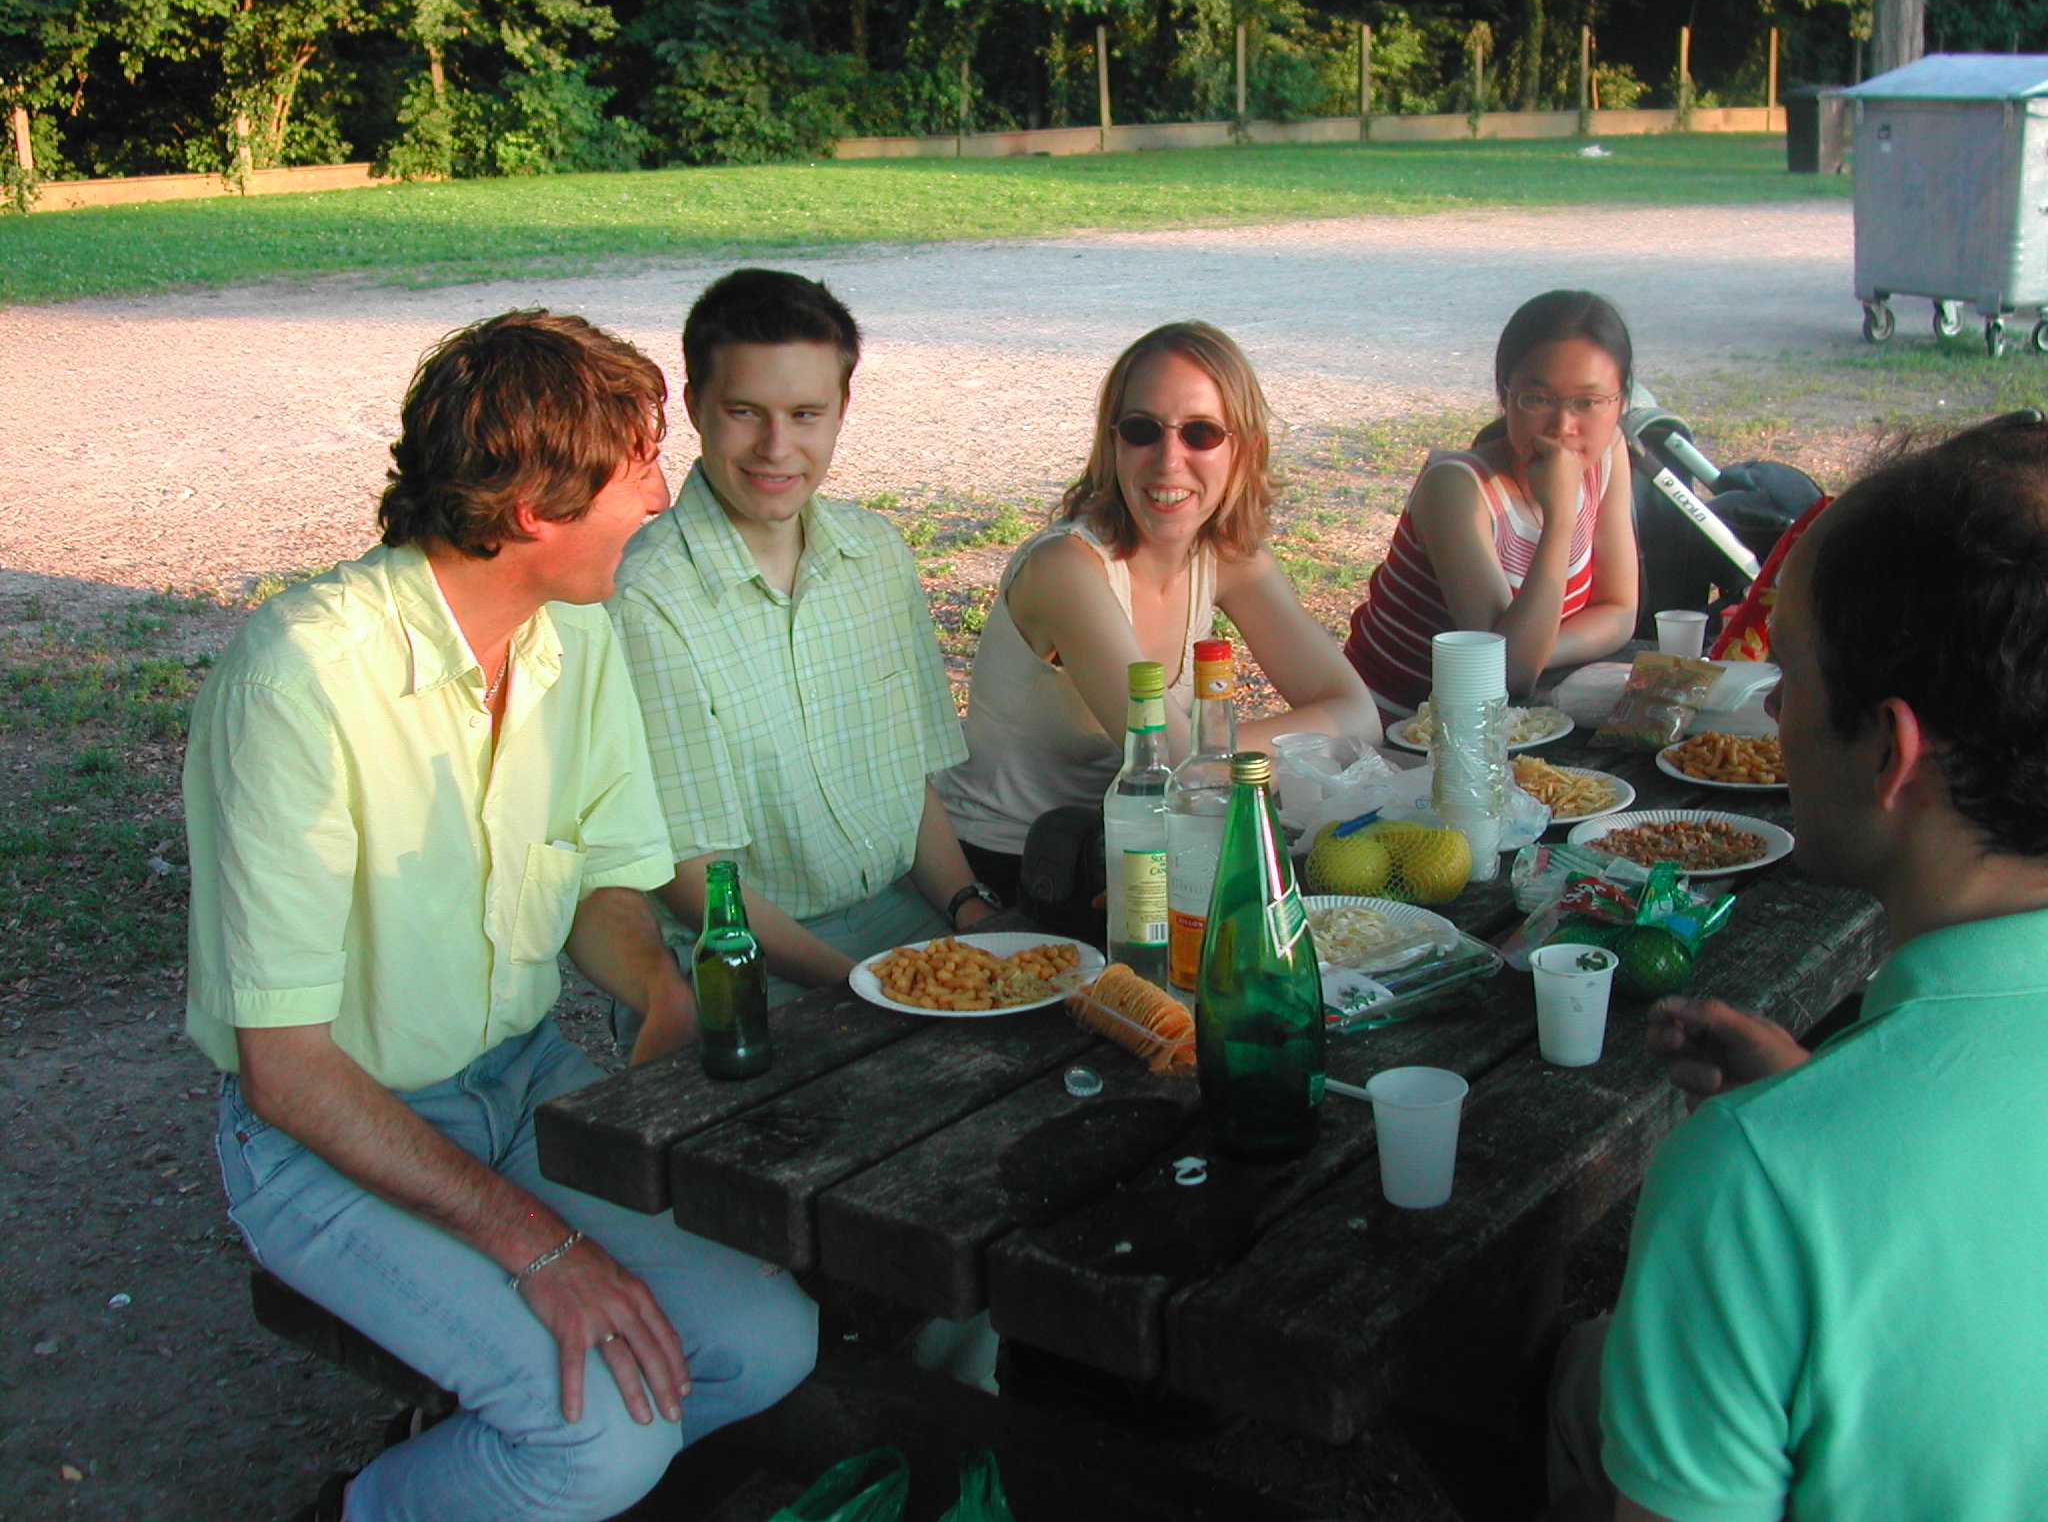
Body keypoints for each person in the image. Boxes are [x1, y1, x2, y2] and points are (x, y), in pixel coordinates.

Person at [186, 311, 816, 1522]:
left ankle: (486, 1457)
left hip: (521, 1089)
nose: (659, 495)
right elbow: (288, 1074)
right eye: (638, 468)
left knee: (764, 1345)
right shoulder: (300, 680)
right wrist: (543, 1248)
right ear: (531, 509)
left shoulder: (573, 637)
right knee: (597, 1443)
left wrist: (658, 990)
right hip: (329, 1139)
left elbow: (598, 881)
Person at [1549, 415, 2048, 1522]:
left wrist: (1792, 1149)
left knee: (1585, 1381)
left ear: (1891, 753)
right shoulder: (1792, 1162)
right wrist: (1821, 1106)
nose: (1773, 708)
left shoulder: (1751, 1186)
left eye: (1789, 670)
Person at [608, 269, 994, 1007]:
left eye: (806, 414)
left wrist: (968, 909)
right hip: (747, 956)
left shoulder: (874, 553)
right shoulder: (647, 598)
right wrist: (862, 986)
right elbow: (689, 872)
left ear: (842, 410)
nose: (776, 447)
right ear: (694, 407)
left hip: (907, 915)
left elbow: (906, 785)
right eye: (745, 413)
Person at [932, 320, 1381, 897]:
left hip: (1142, 846)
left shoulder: (1227, 558)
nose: (1169, 461)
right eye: (1142, 430)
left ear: (1245, 449)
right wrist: (1271, 748)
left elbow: (1359, 717)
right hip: (1018, 868)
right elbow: (1170, 760)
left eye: (1201, 433)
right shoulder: (1065, 570)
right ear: (1112, 443)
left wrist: (1210, 757)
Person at [1344, 290, 1639, 713]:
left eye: (1588, 403)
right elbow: (1508, 671)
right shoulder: (1456, 488)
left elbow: (1619, 610)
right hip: (1397, 727)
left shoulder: (1607, 452)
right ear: (1505, 396)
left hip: (1506, 720)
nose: (1562, 426)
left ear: (1621, 401)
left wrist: (1540, 651)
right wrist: (1560, 517)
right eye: (1538, 399)